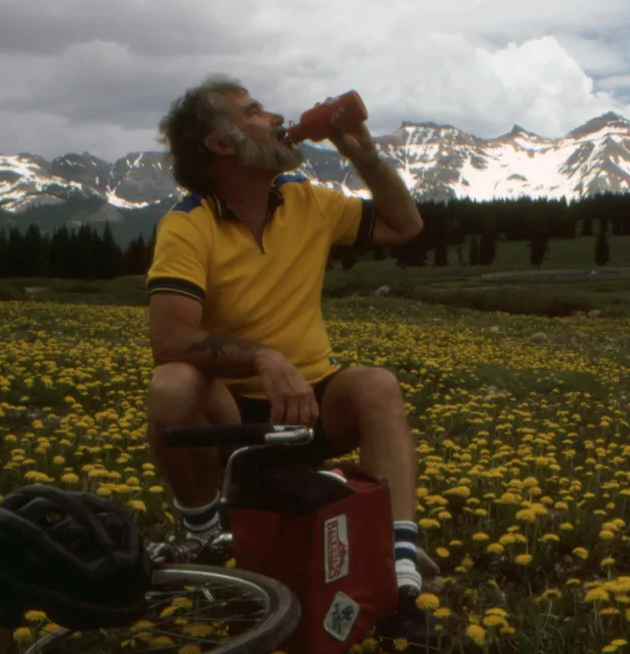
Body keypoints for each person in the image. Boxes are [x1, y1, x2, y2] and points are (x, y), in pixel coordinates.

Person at [143, 75, 436, 646]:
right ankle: (206, 536)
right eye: (255, 111)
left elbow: (406, 226)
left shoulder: (305, 199)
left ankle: (399, 575)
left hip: (312, 399)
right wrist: (264, 357)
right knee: (172, 386)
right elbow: (170, 339)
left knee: (378, 386)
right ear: (222, 145)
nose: (278, 118)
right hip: (233, 411)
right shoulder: (188, 224)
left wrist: (367, 155)